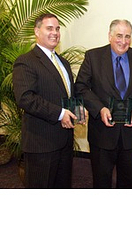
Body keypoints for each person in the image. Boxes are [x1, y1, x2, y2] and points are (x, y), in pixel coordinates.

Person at [75, 19, 132, 188]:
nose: (123, 41)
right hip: (102, 133)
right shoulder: (93, 57)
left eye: (127, 36)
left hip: (130, 133)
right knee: (101, 180)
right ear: (109, 36)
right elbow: (81, 87)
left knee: (128, 181)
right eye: (119, 36)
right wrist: (100, 109)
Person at [13, 13, 77, 188]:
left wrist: (79, 109)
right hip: (41, 143)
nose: (55, 33)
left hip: (64, 141)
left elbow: (68, 95)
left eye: (57, 28)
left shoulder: (63, 62)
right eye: (49, 28)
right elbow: (25, 98)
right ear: (36, 31)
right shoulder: (26, 61)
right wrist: (60, 113)